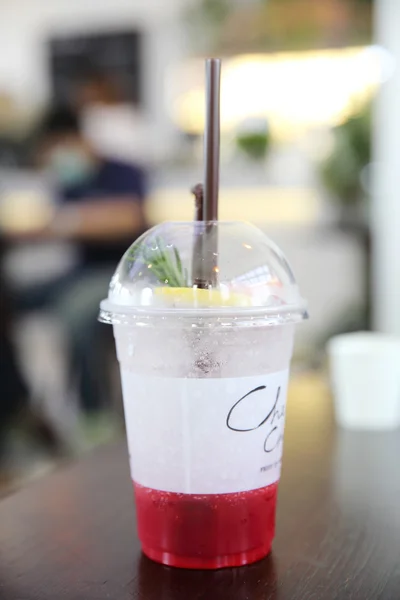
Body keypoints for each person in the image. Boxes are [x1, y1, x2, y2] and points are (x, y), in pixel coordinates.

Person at [19, 106, 148, 416]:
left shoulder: (124, 172)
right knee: (12, 296)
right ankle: (20, 405)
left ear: (74, 139)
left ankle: (96, 414)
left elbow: (129, 218)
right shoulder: (68, 180)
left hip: (122, 274)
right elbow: (59, 224)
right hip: (79, 271)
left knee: (75, 315)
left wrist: (71, 221)